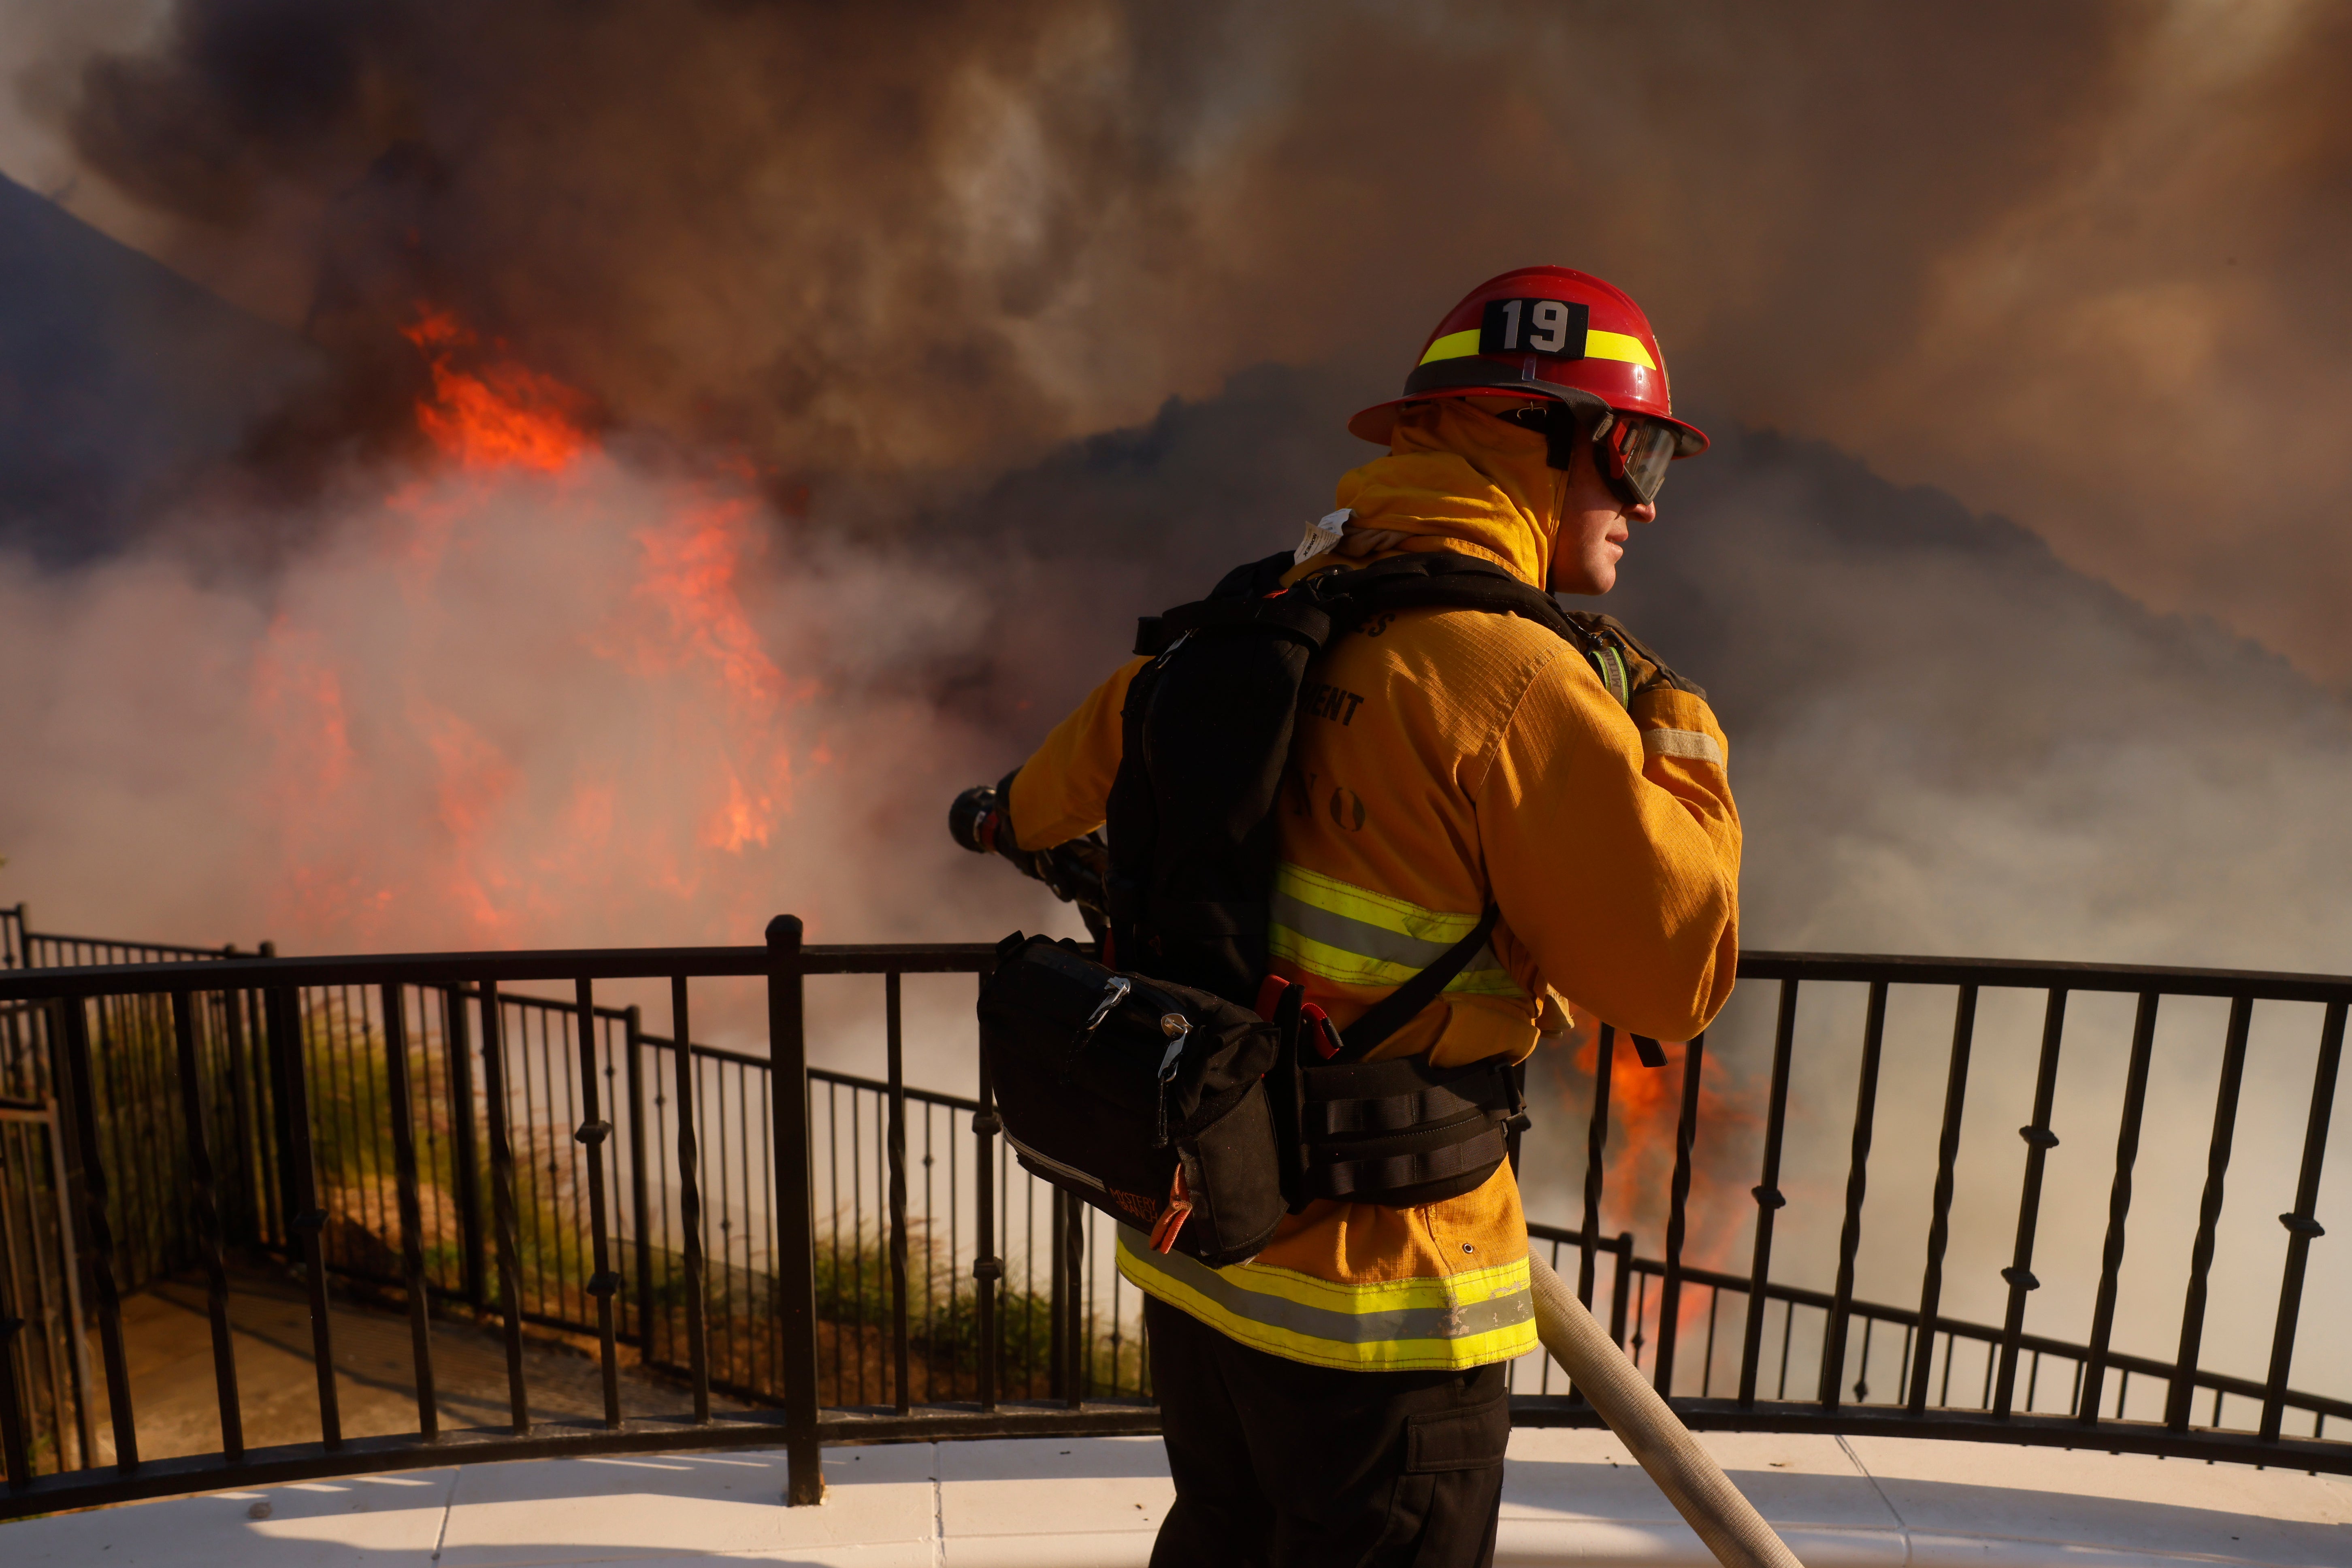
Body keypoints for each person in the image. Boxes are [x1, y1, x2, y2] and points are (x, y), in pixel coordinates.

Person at [976, 267, 1740, 1567]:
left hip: (1202, 1256)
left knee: (1223, 1540)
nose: (1648, 503)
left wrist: (993, 818)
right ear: (1550, 439)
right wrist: (1682, 734)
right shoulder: (1519, 682)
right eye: (1638, 455)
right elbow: (1675, 979)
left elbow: (1064, 777)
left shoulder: (1254, 617)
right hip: (1387, 1302)